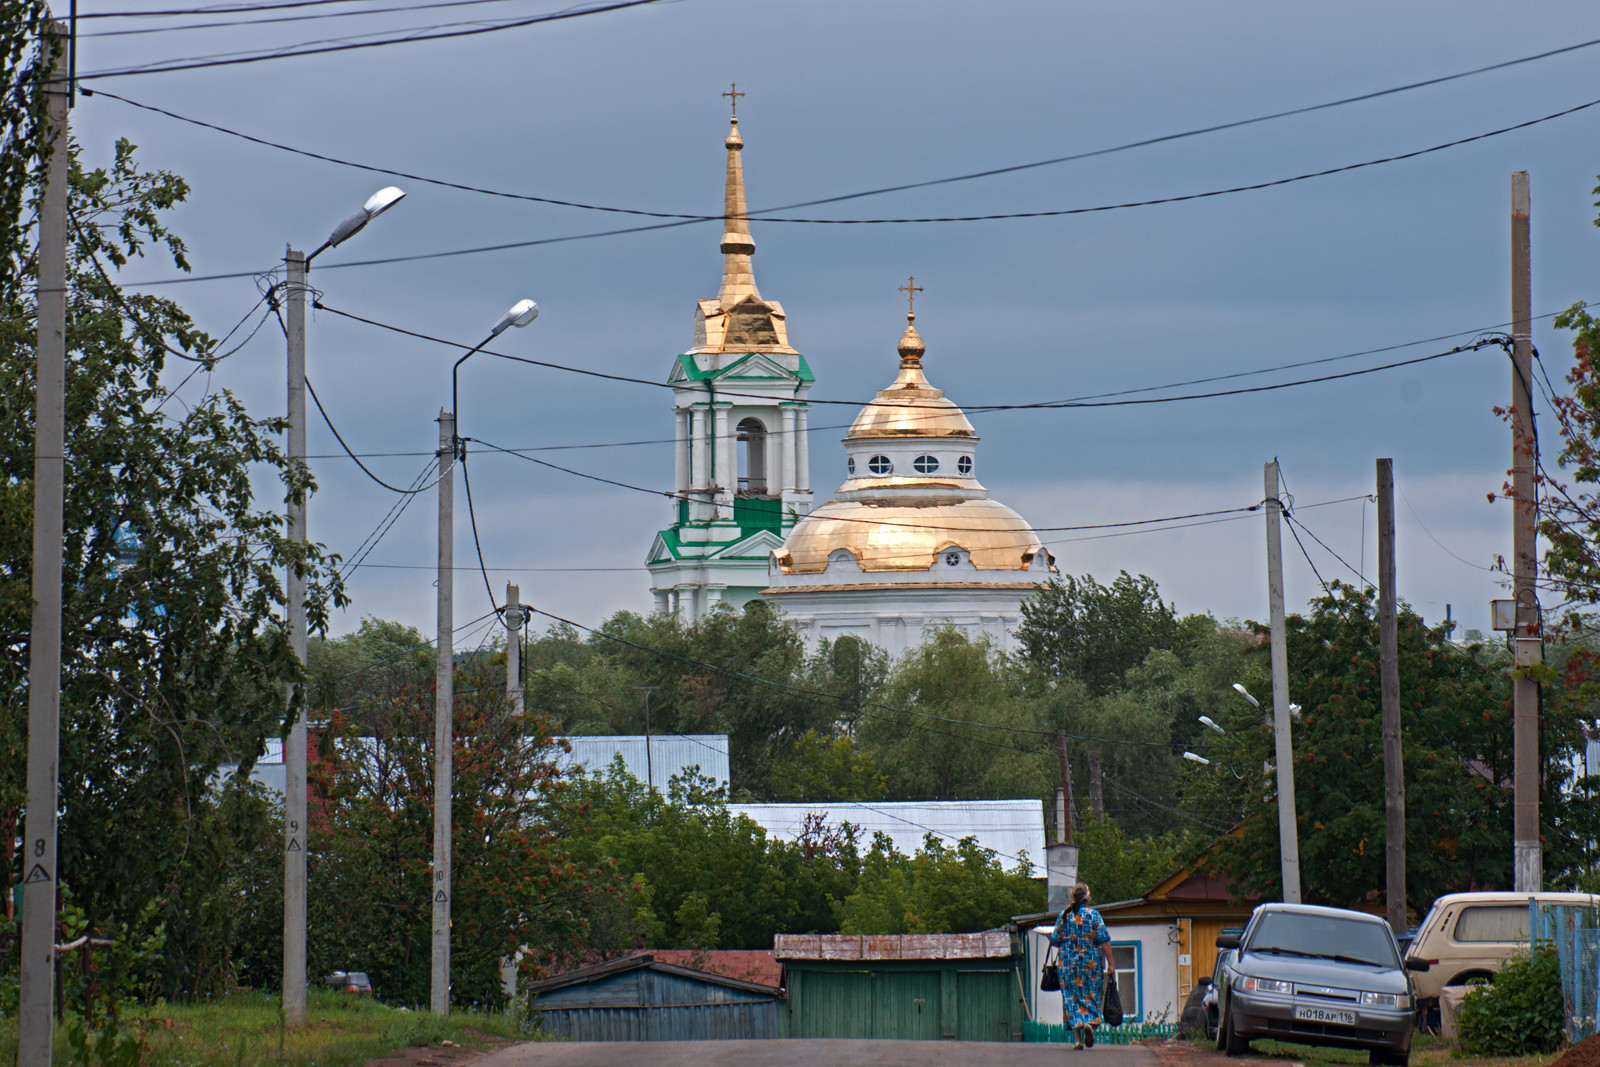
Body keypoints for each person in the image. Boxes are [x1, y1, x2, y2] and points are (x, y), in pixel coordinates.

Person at [1049, 882, 1116, 1049]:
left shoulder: (1064, 915)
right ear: (1088, 897)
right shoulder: (1094, 915)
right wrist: (1112, 964)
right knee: (1091, 995)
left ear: (1072, 897)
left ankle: (1078, 1040)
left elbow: (1055, 942)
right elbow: (1104, 941)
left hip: (1067, 966)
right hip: (1090, 964)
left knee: (1071, 1000)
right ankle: (1089, 1023)